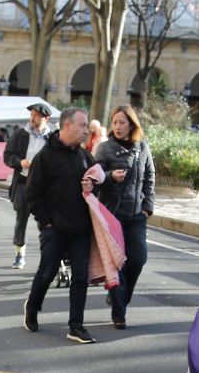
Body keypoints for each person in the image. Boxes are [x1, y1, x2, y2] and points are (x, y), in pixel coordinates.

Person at [22, 107, 96, 345]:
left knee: (81, 277)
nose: (86, 130)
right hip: (54, 227)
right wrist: (47, 222)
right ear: (67, 126)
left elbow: (97, 186)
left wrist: (99, 183)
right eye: (82, 125)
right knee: (47, 272)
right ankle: (33, 307)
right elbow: (32, 194)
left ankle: (76, 326)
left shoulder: (85, 156)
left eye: (87, 126)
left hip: (81, 229)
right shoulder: (45, 156)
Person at [94, 105, 154, 329]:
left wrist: (147, 207)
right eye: (115, 122)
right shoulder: (105, 148)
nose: (117, 127)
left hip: (136, 214)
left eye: (122, 122)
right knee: (116, 264)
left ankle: (120, 298)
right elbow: (94, 176)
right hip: (112, 215)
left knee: (138, 259)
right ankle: (119, 314)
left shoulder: (143, 148)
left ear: (132, 124)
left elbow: (150, 178)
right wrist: (110, 176)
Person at [3, 103, 52, 270]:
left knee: (46, 223)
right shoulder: (20, 134)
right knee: (21, 220)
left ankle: (47, 256)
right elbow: (7, 155)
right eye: (32, 115)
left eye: (37, 115)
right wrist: (19, 162)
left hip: (44, 187)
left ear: (46, 118)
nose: (33, 118)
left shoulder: (52, 138)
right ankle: (19, 254)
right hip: (23, 183)